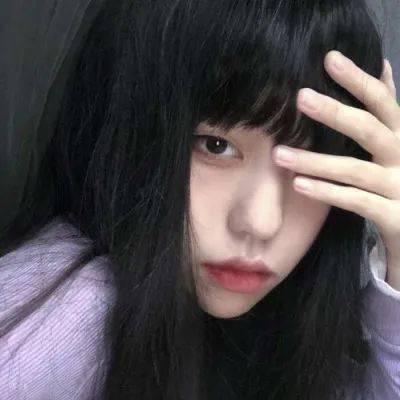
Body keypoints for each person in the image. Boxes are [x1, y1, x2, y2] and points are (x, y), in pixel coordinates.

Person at [0, 1, 399, 399]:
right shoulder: (69, 321)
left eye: (313, 161)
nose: (261, 222)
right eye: (216, 145)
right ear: (133, 132)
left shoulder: (286, 316)